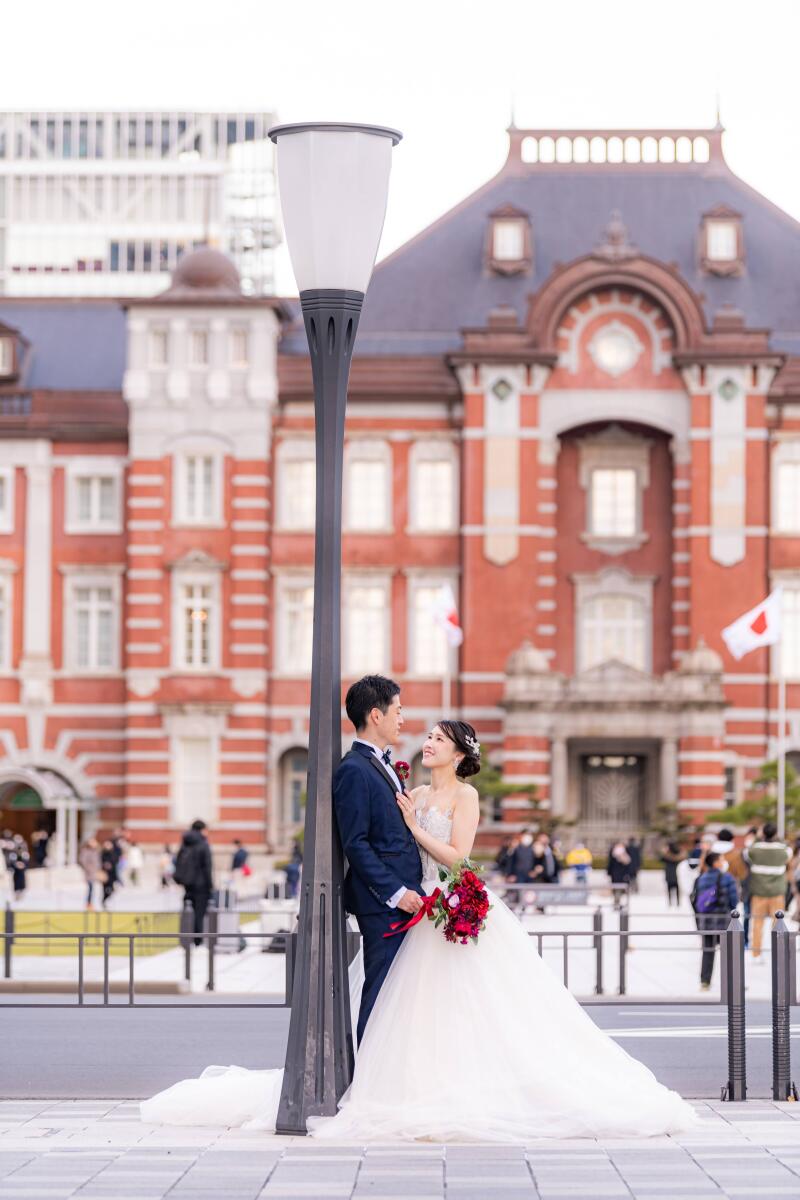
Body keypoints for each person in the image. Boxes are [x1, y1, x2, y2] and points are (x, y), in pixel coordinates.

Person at [142, 714, 697, 1140]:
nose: (426, 741)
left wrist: (413, 827)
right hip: (420, 905)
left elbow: (458, 857)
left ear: (458, 753)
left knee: (469, 1002)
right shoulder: (418, 790)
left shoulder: (465, 795)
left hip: (443, 898)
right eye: (425, 733)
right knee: (414, 1006)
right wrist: (407, 822)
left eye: (437, 738)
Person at [691, 850, 738, 990]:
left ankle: (705, 982)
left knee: (708, 951)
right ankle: (732, 982)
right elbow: (734, 901)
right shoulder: (727, 878)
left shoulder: (700, 879)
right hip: (723, 920)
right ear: (716, 862)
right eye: (722, 859)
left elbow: (694, 900)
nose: (724, 862)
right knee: (729, 952)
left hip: (706, 921)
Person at [745, 822, 792, 962]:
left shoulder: (755, 849)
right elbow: (788, 853)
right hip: (777, 892)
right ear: (776, 833)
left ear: (763, 833)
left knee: (757, 924)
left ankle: (756, 954)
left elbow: (748, 851)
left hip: (758, 892)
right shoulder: (782, 849)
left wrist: (758, 837)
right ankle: (779, 952)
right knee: (778, 923)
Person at [174, 820, 214, 948]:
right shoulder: (203, 844)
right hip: (201, 884)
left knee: (187, 910)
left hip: (187, 883)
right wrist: (210, 885)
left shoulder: (185, 843)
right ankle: (198, 941)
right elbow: (207, 867)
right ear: (202, 829)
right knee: (199, 913)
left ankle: (185, 939)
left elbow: (177, 861)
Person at [607, 840, 632, 908]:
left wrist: (609, 873)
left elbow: (610, 864)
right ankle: (617, 902)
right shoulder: (623, 853)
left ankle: (617, 902)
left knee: (617, 889)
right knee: (618, 889)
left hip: (616, 875)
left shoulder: (614, 853)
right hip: (620, 875)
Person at [78, 837, 101, 909]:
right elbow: (83, 861)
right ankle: (88, 903)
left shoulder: (95, 851)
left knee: (93, 889)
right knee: (90, 888)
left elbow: (97, 862)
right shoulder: (85, 851)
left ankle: (91, 902)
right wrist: (89, 868)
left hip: (94, 873)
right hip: (89, 873)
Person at [660, 841, 682, 906]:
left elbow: (661, 859)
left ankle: (671, 902)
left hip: (671, 873)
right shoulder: (678, 853)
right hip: (676, 873)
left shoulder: (668, 854)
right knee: (676, 888)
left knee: (670, 888)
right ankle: (677, 902)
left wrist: (665, 853)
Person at [100, 839, 118, 907]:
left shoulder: (113, 853)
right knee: (104, 889)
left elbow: (115, 861)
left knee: (112, 889)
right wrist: (104, 865)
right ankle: (103, 901)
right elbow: (100, 862)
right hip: (104, 874)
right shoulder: (102, 853)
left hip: (111, 874)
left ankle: (105, 900)